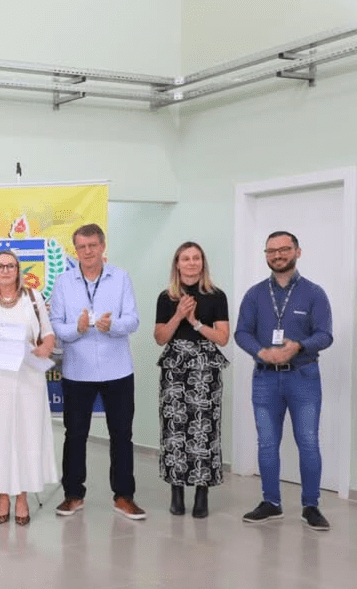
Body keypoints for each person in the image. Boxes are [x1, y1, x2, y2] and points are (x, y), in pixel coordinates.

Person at [235, 231, 332, 530]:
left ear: (297, 252)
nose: (277, 255)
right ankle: (271, 503)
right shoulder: (254, 294)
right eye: (271, 250)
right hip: (265, 379)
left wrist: (298, 347)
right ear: (266, 255)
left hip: (304, 377)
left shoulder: (314, 293)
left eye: (284, 249)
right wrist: (261, 351)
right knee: (266, 444)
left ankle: (311, 506)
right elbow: (241, 332)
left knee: (308, 442)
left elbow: (325, 335)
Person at [49, 224, 145, 520]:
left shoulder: (121, 277)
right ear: (75, 250)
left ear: (103, 246)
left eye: (92, 245)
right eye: (82, 247)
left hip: (117, 370)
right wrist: (77, 329)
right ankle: (73, 495)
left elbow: (133, 320)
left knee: (122, 435)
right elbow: (56, 326)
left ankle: (124, 497)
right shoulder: (64, 282)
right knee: (75, 435)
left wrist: (112, 326)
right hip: (77, 372)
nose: (87, 251)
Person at [0, 251, 58, 525]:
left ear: (18, 270)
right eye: (0, 266)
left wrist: (46, 348)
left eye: (10, 266)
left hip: (28, 376)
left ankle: (21, 496)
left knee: (26, 435)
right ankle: (2, 497)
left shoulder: (33, 297)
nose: (6, 270)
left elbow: (48, 333)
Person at [153, 242, 230, 519]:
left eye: (196, 258)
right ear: (177, 263)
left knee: (203, 429)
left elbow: (223, 338)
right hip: (175, 365)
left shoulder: (216, 295)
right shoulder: (166, 297)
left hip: (205, 366)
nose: (191, 263)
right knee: (174, 428)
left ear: (202, 263)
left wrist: (196, 322)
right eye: (185, 258)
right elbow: (160, 337)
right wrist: (178, 315)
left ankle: (201, 492)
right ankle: (176, 491)